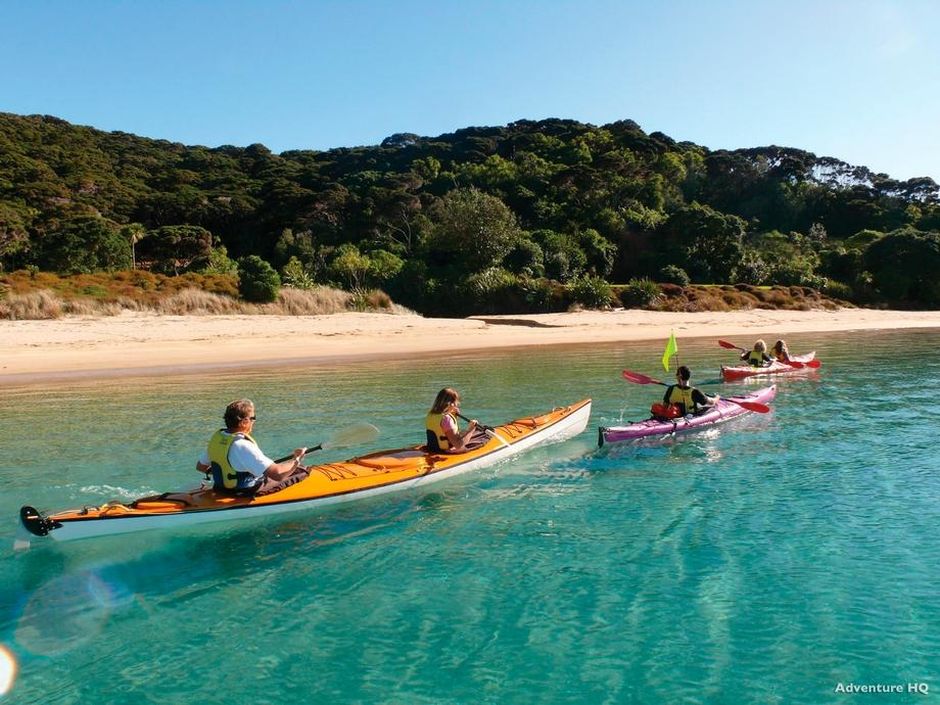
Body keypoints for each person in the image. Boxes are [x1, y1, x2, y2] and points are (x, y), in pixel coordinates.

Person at [197, 399, 308, 495]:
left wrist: (223, 473)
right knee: (301, 471)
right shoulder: (243, 445)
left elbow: (201, 466)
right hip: (245, 492)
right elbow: (278, 474)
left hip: (221, 489)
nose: (253, 421)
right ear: (244, 421)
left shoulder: (218, 440)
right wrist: (296, 459)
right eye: (253, 418)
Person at [425, 388, 480, 453]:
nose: (456, 405)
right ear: (450, 403)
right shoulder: (446, 419)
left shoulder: (431, 414)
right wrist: (471, 430)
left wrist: (454, 417)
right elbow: (459, 445)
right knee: (481, 438)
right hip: (445, 452)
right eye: (455, 402)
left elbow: (444, 429)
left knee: (467, 433)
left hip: (433, 449)